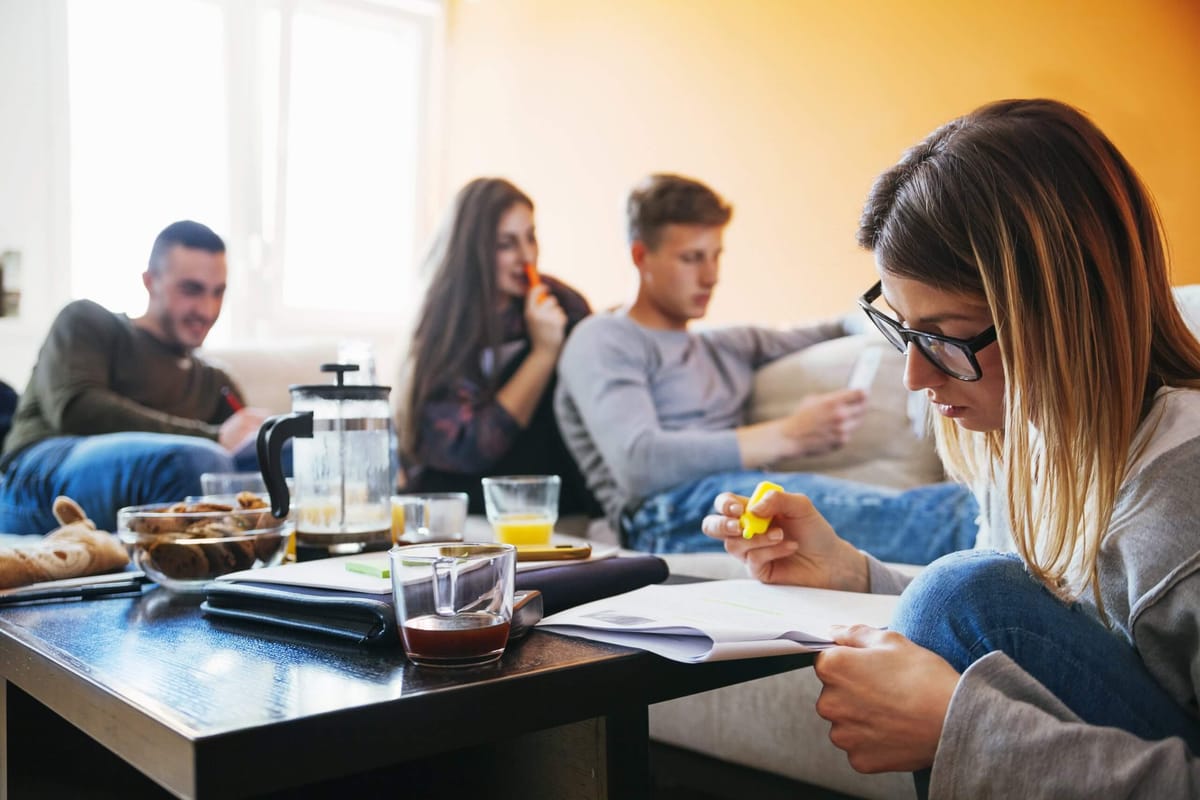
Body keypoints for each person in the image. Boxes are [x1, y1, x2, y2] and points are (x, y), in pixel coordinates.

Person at [703, 99, 1200, 797]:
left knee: (959, 594)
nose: (914, 375)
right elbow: (1048, 639)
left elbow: (983, 620)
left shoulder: (1186, 500)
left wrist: (962, 731)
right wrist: (856, 577)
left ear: (1060, 310)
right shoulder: (1026, 439)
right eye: (904, 330)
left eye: (943, 336)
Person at [555, 173, 979, 559]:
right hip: (663, 514)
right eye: (691, 258)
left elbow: (840, 324)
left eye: (716, 255)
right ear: (641, 256)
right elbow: (640, 465)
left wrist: (910, 324)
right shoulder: (604, 337)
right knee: (926, 518)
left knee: (912, 506)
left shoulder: (726, 345)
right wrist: (788, 435)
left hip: (741, 494)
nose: (710, 275)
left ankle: (1006, 514)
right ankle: (1004, 529)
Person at [0, 221, 267, 535]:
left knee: (278, 457)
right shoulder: (88, 322)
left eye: (218, 292)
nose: (207, 310)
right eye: (191, 290)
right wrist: (213, 437)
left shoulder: (214, 381)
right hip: (36, 474)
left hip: (174, 468)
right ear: (150, 281)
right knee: (195, 461)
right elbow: (77, 409)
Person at [400, 178, 598, 516]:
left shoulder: (563, 304)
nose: (527, 257)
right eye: (506, 244)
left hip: (553, 485)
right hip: (466, 487)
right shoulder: (446, 324)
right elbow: (468, 449)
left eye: (530, 238)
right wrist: (543, 353)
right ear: (473, 252)